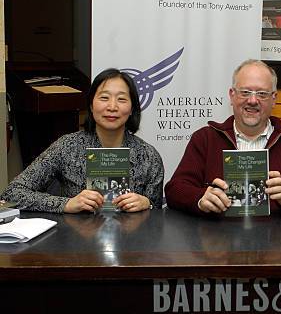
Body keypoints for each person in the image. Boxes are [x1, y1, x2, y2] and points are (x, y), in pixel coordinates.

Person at [164, 59, 281, 214]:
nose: (253, 100)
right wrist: (200, 198)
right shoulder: (205, 139)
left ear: (274, 99)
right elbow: (174, 190)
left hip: (276, 243)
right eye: (245, 92)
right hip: (217, 243)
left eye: (262, 94)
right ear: (232, 95)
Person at [1, 69, 164, 213]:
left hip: (134, 242)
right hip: (75, 242)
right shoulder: (67, 146)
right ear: (92, 106)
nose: (112, 106)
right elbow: (12, 193)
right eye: (104, 98)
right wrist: (66, 204)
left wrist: (147, 203)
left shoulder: (148, 156)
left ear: (132, 109)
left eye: (121, 99)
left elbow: (157, 210)